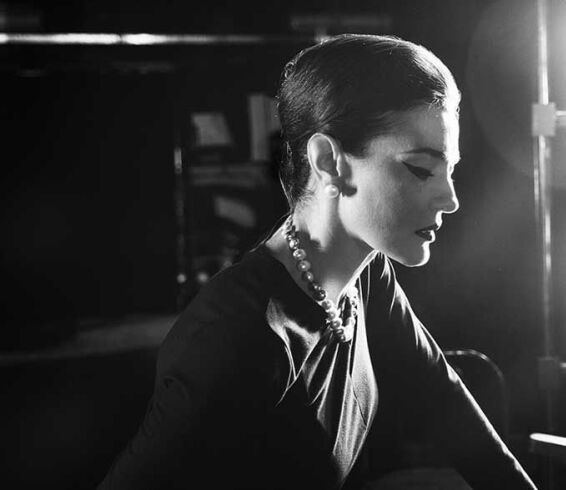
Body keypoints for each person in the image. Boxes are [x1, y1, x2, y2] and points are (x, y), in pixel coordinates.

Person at [98, 34, 537, 490]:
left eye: (451, 170)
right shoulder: (237, 338)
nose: (450, 199)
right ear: (328, 161)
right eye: (421, 169)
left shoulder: (367, 276)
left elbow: (444, 404)